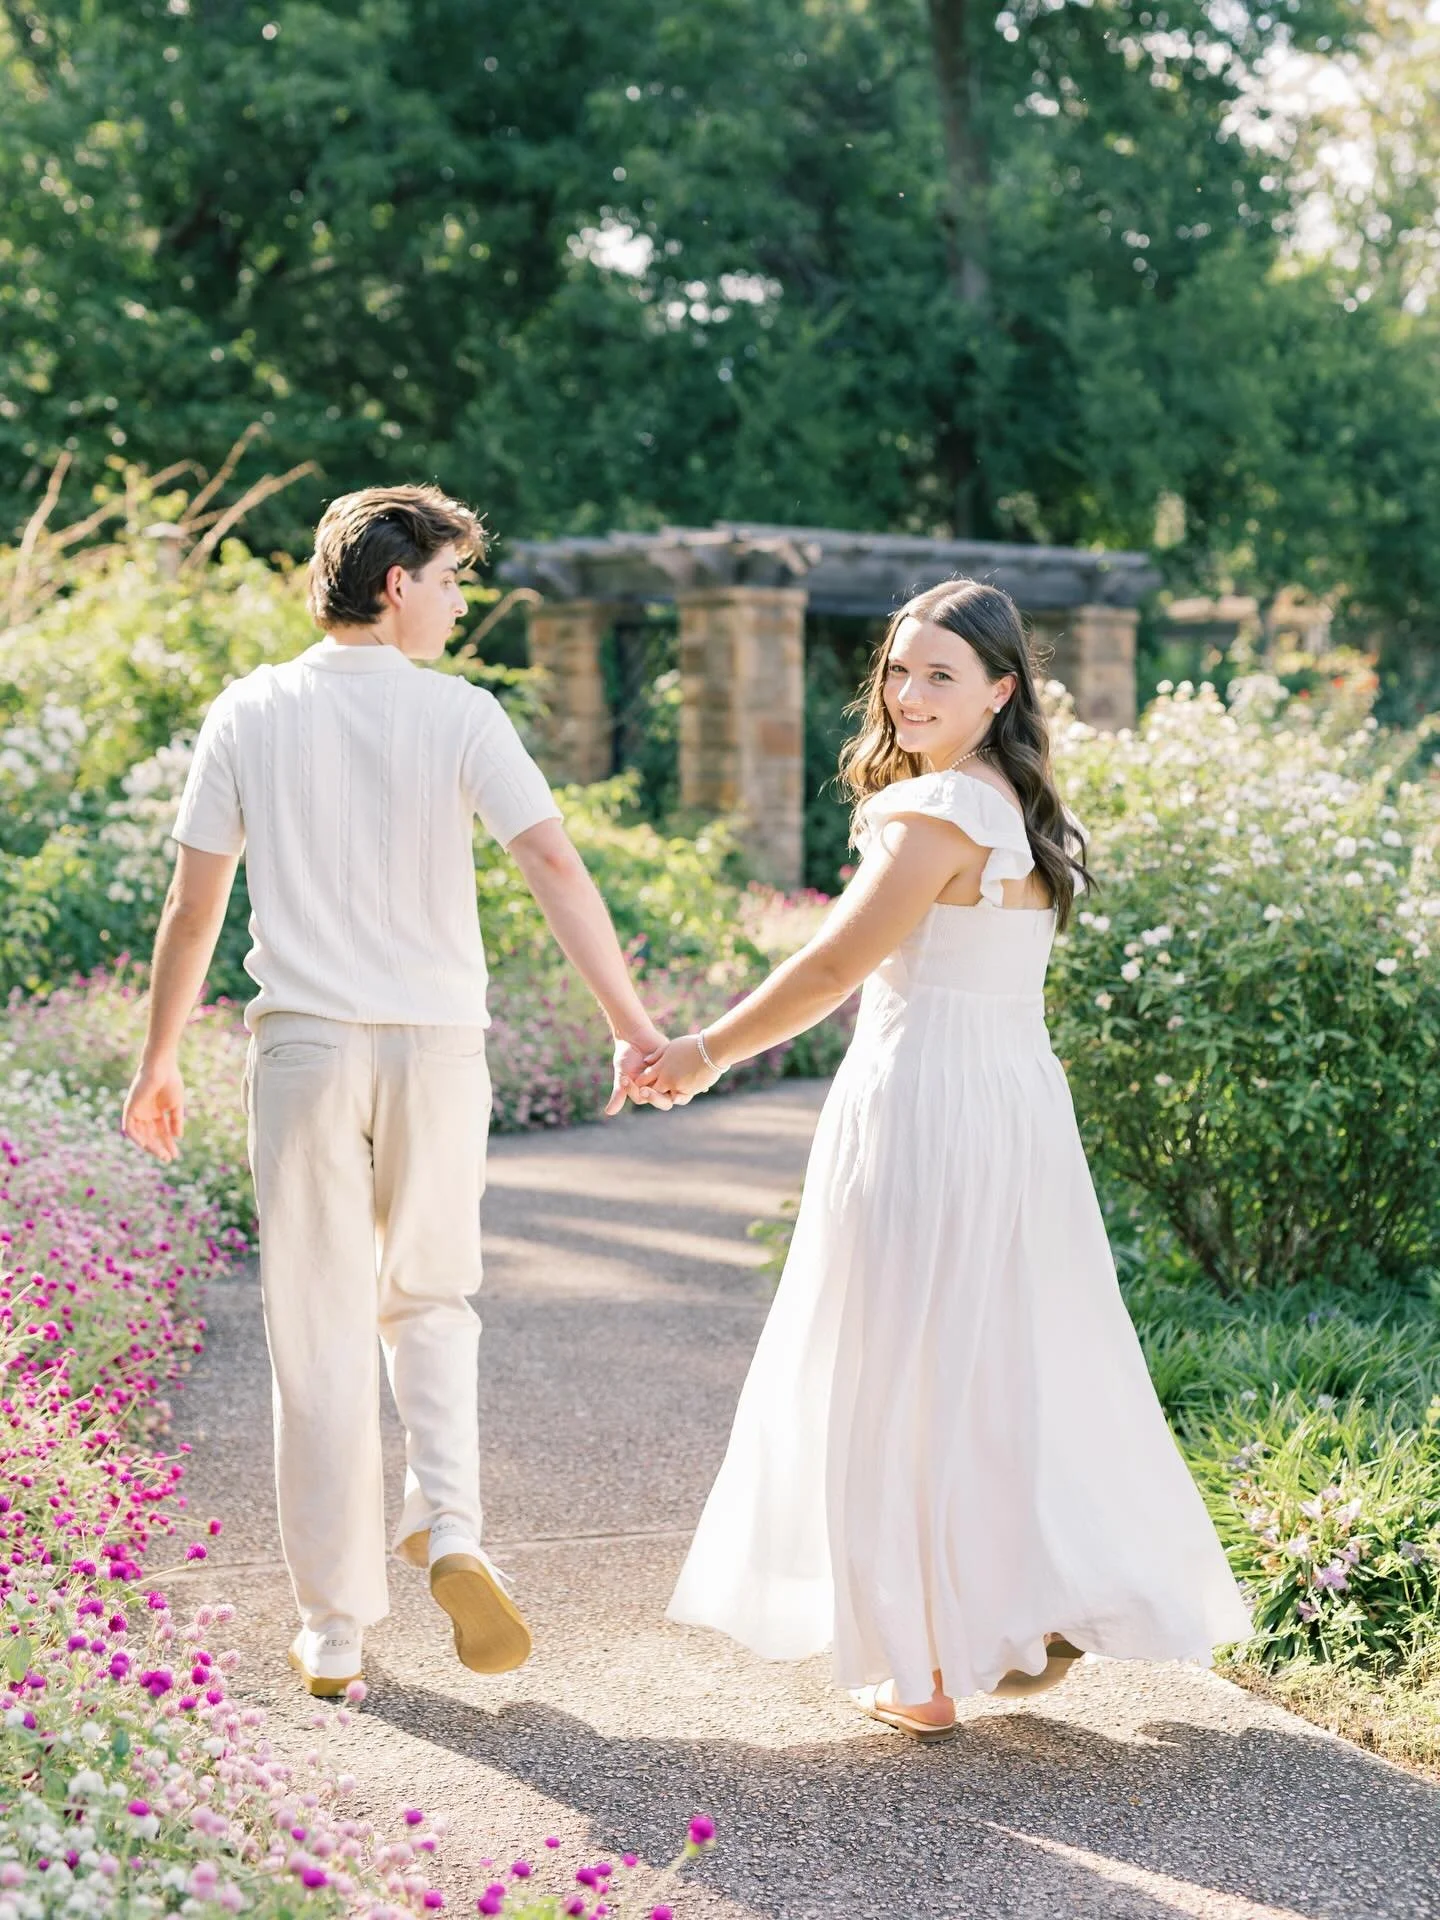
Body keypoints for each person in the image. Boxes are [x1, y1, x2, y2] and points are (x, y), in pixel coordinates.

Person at [645, 578, 1251, 1739]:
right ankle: (1024, 1597)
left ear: (1000, 691)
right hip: (1011, 1104)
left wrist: (704, 1052)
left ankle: (923, 1669)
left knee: (906, 1360)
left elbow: (832, 968)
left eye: (942, 676)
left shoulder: (935, 816)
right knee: (1001, 1357)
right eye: (899, 670)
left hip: (928, 1100)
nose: (910, 694)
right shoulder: (1013, 802)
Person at [122, 485, 668, 1697]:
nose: (458, 604)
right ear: (393, 585)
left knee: (315, 1330)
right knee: (431, 1298)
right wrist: (633, 1026)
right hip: (435, 1047)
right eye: (450, 581)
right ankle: (455, 1529)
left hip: (306, 1049)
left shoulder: (249, 710)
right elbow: (551, 862)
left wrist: (158, 1057)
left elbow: (195, 905)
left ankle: (332, 1630)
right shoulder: (462, 717)